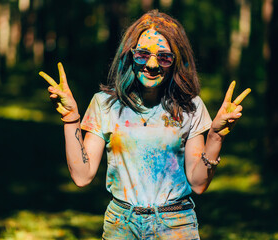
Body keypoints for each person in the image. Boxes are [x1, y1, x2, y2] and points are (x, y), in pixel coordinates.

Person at [39, 10, 250, 240]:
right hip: (122, 226)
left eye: (163, 57)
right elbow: (82, 176)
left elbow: (199, 183)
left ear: (175, 61)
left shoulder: (190, 107)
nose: (151, 64)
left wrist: (216, 136)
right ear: (129, 55)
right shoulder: (105, 104)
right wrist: (71, 119)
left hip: (176, 226)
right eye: (142, 54)